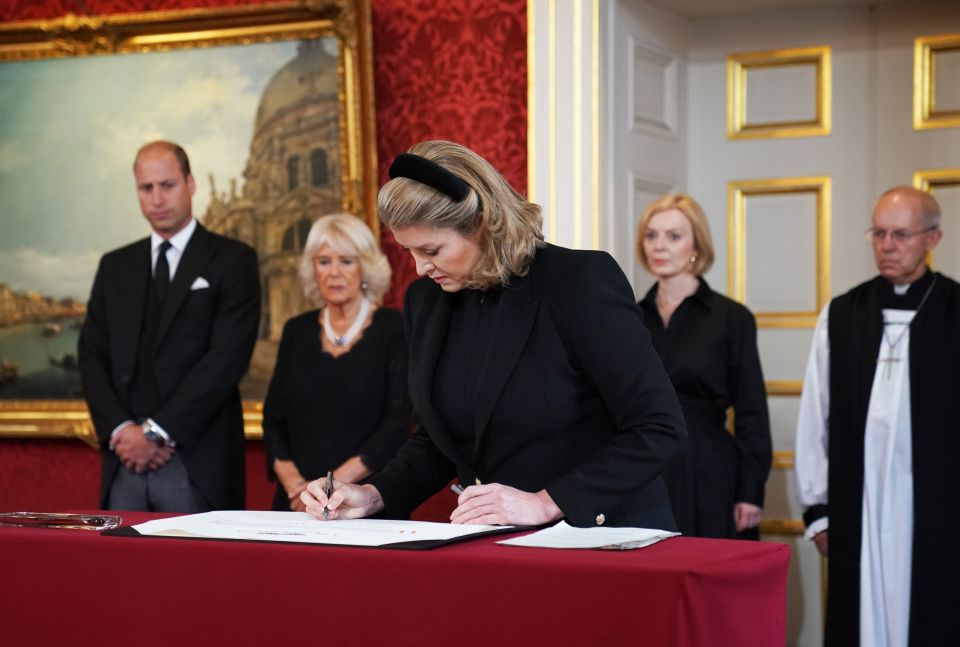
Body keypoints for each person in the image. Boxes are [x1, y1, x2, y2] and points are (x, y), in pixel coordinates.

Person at [300, 140, 687, 528]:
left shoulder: (578, 282)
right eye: (409, 252)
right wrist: (373, 494)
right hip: (495, 546)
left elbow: (657, 427)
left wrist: (545, 503)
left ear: (481, 223)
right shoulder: (426, 302)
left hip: (602, 542)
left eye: (432, 250)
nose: (420, 268)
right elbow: (439, 443)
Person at [795, 186, 960, 647]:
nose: (887, 246)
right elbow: (816, 412)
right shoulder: (844, 314)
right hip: (858, 502)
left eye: (901, 234)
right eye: (879, 233)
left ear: (933, 238)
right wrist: (818, 510)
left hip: (936, 506)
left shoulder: (953, 310)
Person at [78, 140, 261, 512]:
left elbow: (226, 359)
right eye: (147, 188)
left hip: (198, 461)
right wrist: (122, 433)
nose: (157, 198)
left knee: (199, 570)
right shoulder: (115, 266)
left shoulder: (233, 260)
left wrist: (155, 433)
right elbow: (91, 354)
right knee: (121, 570)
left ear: (190, 184)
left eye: (168, 185)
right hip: (123, 461)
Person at [636, 194, 771, 539]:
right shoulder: (630, 316)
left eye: (673, 236)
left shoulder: (730, 318)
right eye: (651, 235)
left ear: (696, 245)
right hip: (644, 468)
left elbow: (751, 411)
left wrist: (750, 491)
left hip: (709, 468)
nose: (659, 246)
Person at [262, 214, 412, 511]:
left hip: (363, 503)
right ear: (312, 269)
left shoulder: (395, 329)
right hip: (296, 504)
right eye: (323, 261)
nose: (334, 272)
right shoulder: (297, 330)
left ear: (365, 267)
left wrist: (330, 489)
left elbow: (396, 425)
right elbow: (273, 420)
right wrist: (297, 488)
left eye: (346, 261)